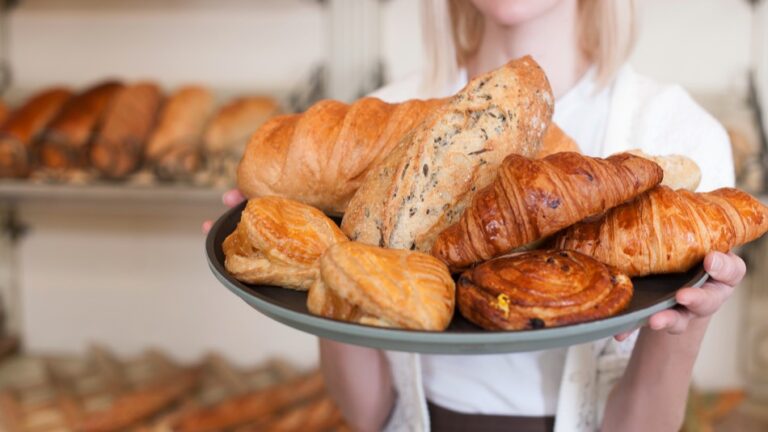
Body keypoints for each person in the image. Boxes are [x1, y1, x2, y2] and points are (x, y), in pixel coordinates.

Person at [207, 1, 747, 430]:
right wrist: (317, 265)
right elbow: (367, 414)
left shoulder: (680, 134)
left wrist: (688, 327)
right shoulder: (383, 113)